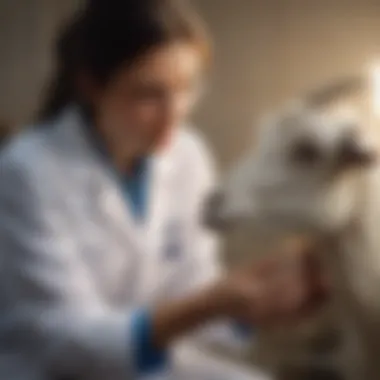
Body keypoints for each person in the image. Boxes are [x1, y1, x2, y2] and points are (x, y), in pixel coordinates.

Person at [0, 1, 328, 379]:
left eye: (187, 87)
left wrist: (253, 302)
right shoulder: (26, 172)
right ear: (91, 85)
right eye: (148, 95)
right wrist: (212, 303)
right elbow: (67, 342)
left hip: (142, 366)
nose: (176, 112)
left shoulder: (188, 154)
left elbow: (191, 283)